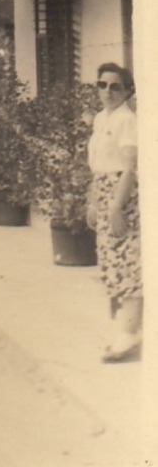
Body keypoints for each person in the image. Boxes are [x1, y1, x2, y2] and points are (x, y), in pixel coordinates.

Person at [86, 62, 141, 362]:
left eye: (115, 86)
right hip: (104, 192)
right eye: (102, 85)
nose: (107, 91)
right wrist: (94, 202)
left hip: (122, 197)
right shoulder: (100, 118)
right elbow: (98, 167)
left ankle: (128, 337)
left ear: (128, 91)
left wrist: (117, 208)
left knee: (128, 266)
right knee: (112, 264)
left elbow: (129, 169)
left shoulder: (126, 121)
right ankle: (128, 331)